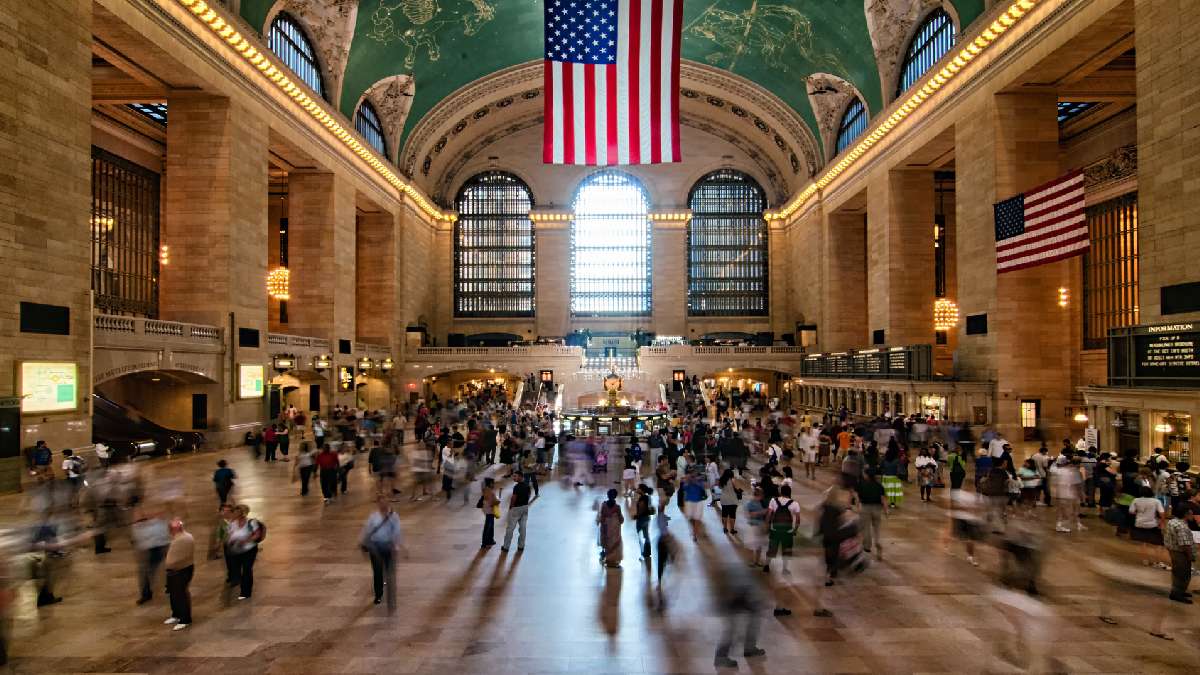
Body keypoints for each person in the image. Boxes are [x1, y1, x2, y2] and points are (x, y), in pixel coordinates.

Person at [360, 496, 403, 611]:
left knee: (390, 574)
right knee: (378, 572)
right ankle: (378, 594)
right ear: (378, 504)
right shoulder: (373, 517)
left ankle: (391, 598)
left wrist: (397, 545)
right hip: (376, 547)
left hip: (388, 547)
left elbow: (397, 531)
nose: (383, 505)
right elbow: (367, 530)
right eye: (381, 503)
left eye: (385, 503)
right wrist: (362, 541)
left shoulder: (394, 516)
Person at [132, 509, 170, 605]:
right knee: (146, 572)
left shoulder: (157, 523)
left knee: (162, 569)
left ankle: (166, 587)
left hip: (158, 548)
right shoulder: (138, 526)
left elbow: (163, 537)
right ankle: (146, 594)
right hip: (151, 549)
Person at [226, 505, 263, 600]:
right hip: (236, 550)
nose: (233, 513)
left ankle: (245, 592)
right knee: (237, 570)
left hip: (249, 550)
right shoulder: (232, 523)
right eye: (233, 511)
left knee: (247, 570)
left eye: (235, 512)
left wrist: (246, 541)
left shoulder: (251, 522)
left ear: (242, 513)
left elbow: (257, 534)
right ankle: (240, 584)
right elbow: (230, 535)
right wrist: (231, 541)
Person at [163, 519, 194, 630]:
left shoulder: (183, 539)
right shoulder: (179, 538)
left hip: (181, 570)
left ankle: (185, 619)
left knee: (180, 595)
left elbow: (181, 557)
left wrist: (171, 564)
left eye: (171, 529)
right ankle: (176, 614)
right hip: (175, 571)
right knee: (173, 594)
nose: (169, 531)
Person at [1163, 503, 1195, 603]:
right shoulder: (1182, 527)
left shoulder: (1172, 521)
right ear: (1186, 514)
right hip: (1181, 553)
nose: (1192, 515)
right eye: (1191, 513)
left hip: (1173, 550)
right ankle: (1176, 594)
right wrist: (1190, 556)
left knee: (1178, 571)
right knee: (1182, 573)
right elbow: (1184, 545)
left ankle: (1180, 591)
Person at [1128, 486, 1166, 567]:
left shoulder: (1136, 500)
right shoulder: (1156, 501)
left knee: (1143, 543)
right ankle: (1158, 561)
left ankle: (1145, 560)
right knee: (1159, 543)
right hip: (1152, 524)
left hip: (1139, 524)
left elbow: (1131, 511)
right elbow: (1162, 513)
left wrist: (1139, 514)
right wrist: (1162, 523)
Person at [855, 469, 888, 560]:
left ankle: (867, 547)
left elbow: (857, 498)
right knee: (877, 529)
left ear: (867, 475)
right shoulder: (879, 485)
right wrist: (886, 511)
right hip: (877, 509)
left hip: (865, 508)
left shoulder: (861, 484)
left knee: (866, 529)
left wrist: (857, 508)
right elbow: (883, 499)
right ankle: (878, 541)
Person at [502, 474, 533, 552]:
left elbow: (513, 498)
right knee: (523, 528)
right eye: (513, 476)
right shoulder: (527, 485)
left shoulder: (517, 487)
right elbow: (529, 495)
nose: (513, 477)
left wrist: (511, 507)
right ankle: (521, 546)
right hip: (525, 508)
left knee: (510, 529)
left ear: (521, 477)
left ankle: (506, 547)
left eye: (515, 476)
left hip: (516, 509)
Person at [597, 488, 624, 567]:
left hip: (605, 527)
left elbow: (601, 518)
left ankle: (605, 556)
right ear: (615, 496)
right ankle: (613, 559)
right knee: (615, 544)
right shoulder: (617, 507)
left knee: (606, 542)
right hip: (615, 530)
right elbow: (621, 520)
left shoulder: (604, 505)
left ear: (607, 495)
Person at [718, 469, 741, 534]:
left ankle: (725, 528)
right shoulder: (733, 480)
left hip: (724, 499)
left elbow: (719, 487)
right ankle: (732, 529)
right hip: (733, 499)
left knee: (724, 514)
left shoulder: (721, 480)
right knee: (732, 515)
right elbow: (736, 488)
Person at [634, 483, 654, 561]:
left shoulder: (642, 499)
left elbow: (641, 509)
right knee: (646, 535)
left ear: (641, 490)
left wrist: (636, 516)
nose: (637, 489)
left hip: (641, 519)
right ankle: (647, 552)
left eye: (638, 488)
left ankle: (643, 552)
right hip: (647, 518)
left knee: (640, 536)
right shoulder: (648, 497)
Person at [479, 477, 499, 548]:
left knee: (490, 526)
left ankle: (491, 540)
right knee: (488, 527)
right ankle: (484, 543)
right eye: (493, 483)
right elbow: (492, 503)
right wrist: (497, 501)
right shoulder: (490, 492)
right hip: (489, 511)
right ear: (490, 483)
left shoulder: (485, 490)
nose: (494, 484)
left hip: (487, 510)